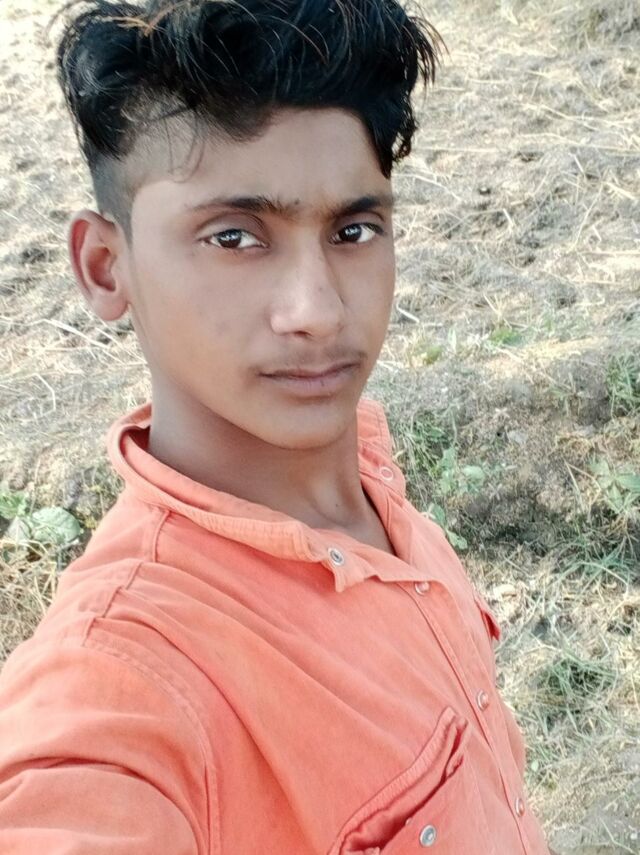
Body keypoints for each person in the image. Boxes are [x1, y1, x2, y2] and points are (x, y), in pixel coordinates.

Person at [0, 1, 553, 852]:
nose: (317, 310)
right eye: (234, 237)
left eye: (353, 230)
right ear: (106, 267)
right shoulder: (123, 681)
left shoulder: (374, 489)